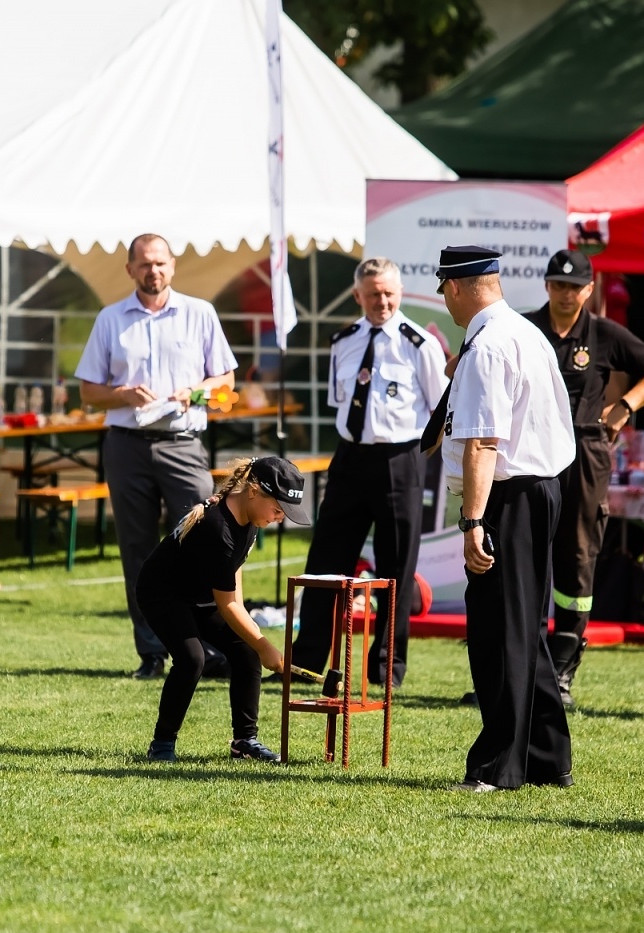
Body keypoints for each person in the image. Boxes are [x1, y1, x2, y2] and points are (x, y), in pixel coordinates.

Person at [425, 245, 576, 790]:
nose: (444, 296)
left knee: (498, 634)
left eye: (445, 286)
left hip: (506, 497)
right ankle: (546, 756)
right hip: (537, 490)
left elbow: (484, 442)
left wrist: (471, 522)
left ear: (462, 286)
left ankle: (498, 765)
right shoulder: (523, 331)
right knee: (522, 629)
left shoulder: (489, 345)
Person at [75, 233, 237, 680]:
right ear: (130, 269)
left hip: (183, 443)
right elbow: (88, 392)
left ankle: (208, 649)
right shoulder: (111, 320)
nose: (154, 272)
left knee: (201, 544)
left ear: (173, 266)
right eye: (145, 264)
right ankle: (151, 652)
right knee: (138, 552)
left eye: (161, 263)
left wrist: (198, 391)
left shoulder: (199, 313)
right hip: (127, 445)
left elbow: (226, 378)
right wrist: (121, 394)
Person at [523, 249, 644, 706]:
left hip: (586, 451)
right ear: (546, 286)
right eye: (558, 285)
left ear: (589, 289)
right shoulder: (525, 328)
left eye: (574, 287)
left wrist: (626, 406)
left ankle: (563, 672)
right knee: (523, 555)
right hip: (531, 450)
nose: (565, 294)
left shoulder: (604, 333)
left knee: (577, 555)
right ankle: (519, 669)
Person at [289, 258, 444, 687]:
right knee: (325, 563)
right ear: (358, 296)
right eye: (374, 294)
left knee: (395, 567)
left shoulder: (418, 344)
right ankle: (307, 661)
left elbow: (439, 408)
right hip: (350, 458)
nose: (383, 302)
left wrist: (422, 463)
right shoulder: (343, 341)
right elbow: (340, 401)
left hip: (400, 460)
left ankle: (386, 667)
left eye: (390, 293)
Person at [139, 456, 310, 763]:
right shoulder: (218, 528)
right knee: (192, 659)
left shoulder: (250, 519)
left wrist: (253, 639)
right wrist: (264, 645)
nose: (280, 517)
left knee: (244, 650)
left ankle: (244, 740)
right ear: (255, 491)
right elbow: (226, 603)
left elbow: (234, 578)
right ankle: (162, 744)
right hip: (163, 593)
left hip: (200, 593)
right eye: (278, 509)